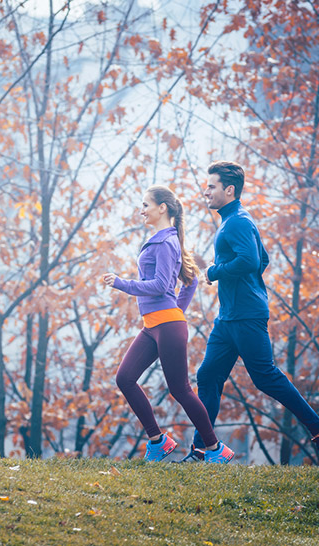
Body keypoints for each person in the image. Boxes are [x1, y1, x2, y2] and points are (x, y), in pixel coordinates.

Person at [184, 160, 319, 466]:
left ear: (229, 190)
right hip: (229, 318)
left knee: (265, 377)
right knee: (208, 375)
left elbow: (252, 261)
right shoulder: (235, 221)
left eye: (211, 186)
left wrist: (214, 271)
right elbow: (262, 259)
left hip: (246, 316)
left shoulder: (238, 221)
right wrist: (245, 284)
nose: (206, 191)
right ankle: (202, 450)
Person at [103, 185, 234, 464]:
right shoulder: (166, 240)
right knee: (124, 379)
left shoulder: (165, 242)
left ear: (162, 207)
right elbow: (191, 279)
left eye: (145, 205)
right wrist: (176, 311)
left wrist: (122, 284)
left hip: (167, 326)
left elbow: (162, 284)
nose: (141, 210)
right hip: (154, 325)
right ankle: (158, 441)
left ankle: (215, 448)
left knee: (181, 390)